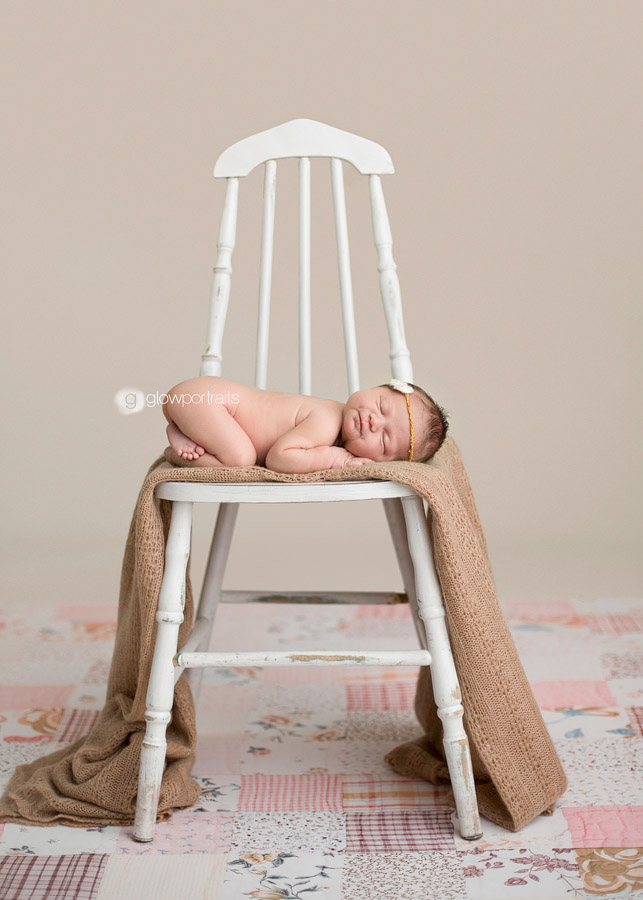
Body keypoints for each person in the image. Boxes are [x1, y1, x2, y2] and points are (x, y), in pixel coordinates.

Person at [162, 376, 448, 474]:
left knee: (239, 455)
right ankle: (176, 449)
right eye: (382, 406)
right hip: (206, 400)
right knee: (241, 459)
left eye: (385, 440)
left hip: (204, 403)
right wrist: (334, 459)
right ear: (373, 387)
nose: (374, 421)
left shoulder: (334, 423)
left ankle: (185, 430)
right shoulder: (327, 420)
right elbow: (279, 458)